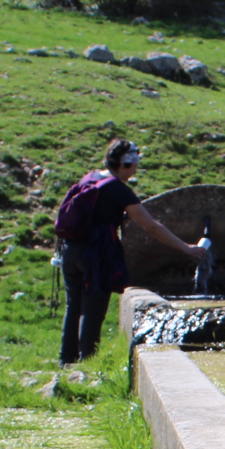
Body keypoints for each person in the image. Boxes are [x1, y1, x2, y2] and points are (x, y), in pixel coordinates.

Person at [54, 138, 205, 365]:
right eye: (134, 164)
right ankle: (87, 362)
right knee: (93, 308)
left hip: (70, 250)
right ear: (125, 164)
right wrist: (185, 247)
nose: (136, 169)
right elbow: (151, 226)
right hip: (96, 254)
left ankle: (66, 360)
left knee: (73, 304)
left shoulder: (91, 177)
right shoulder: (118, 189)